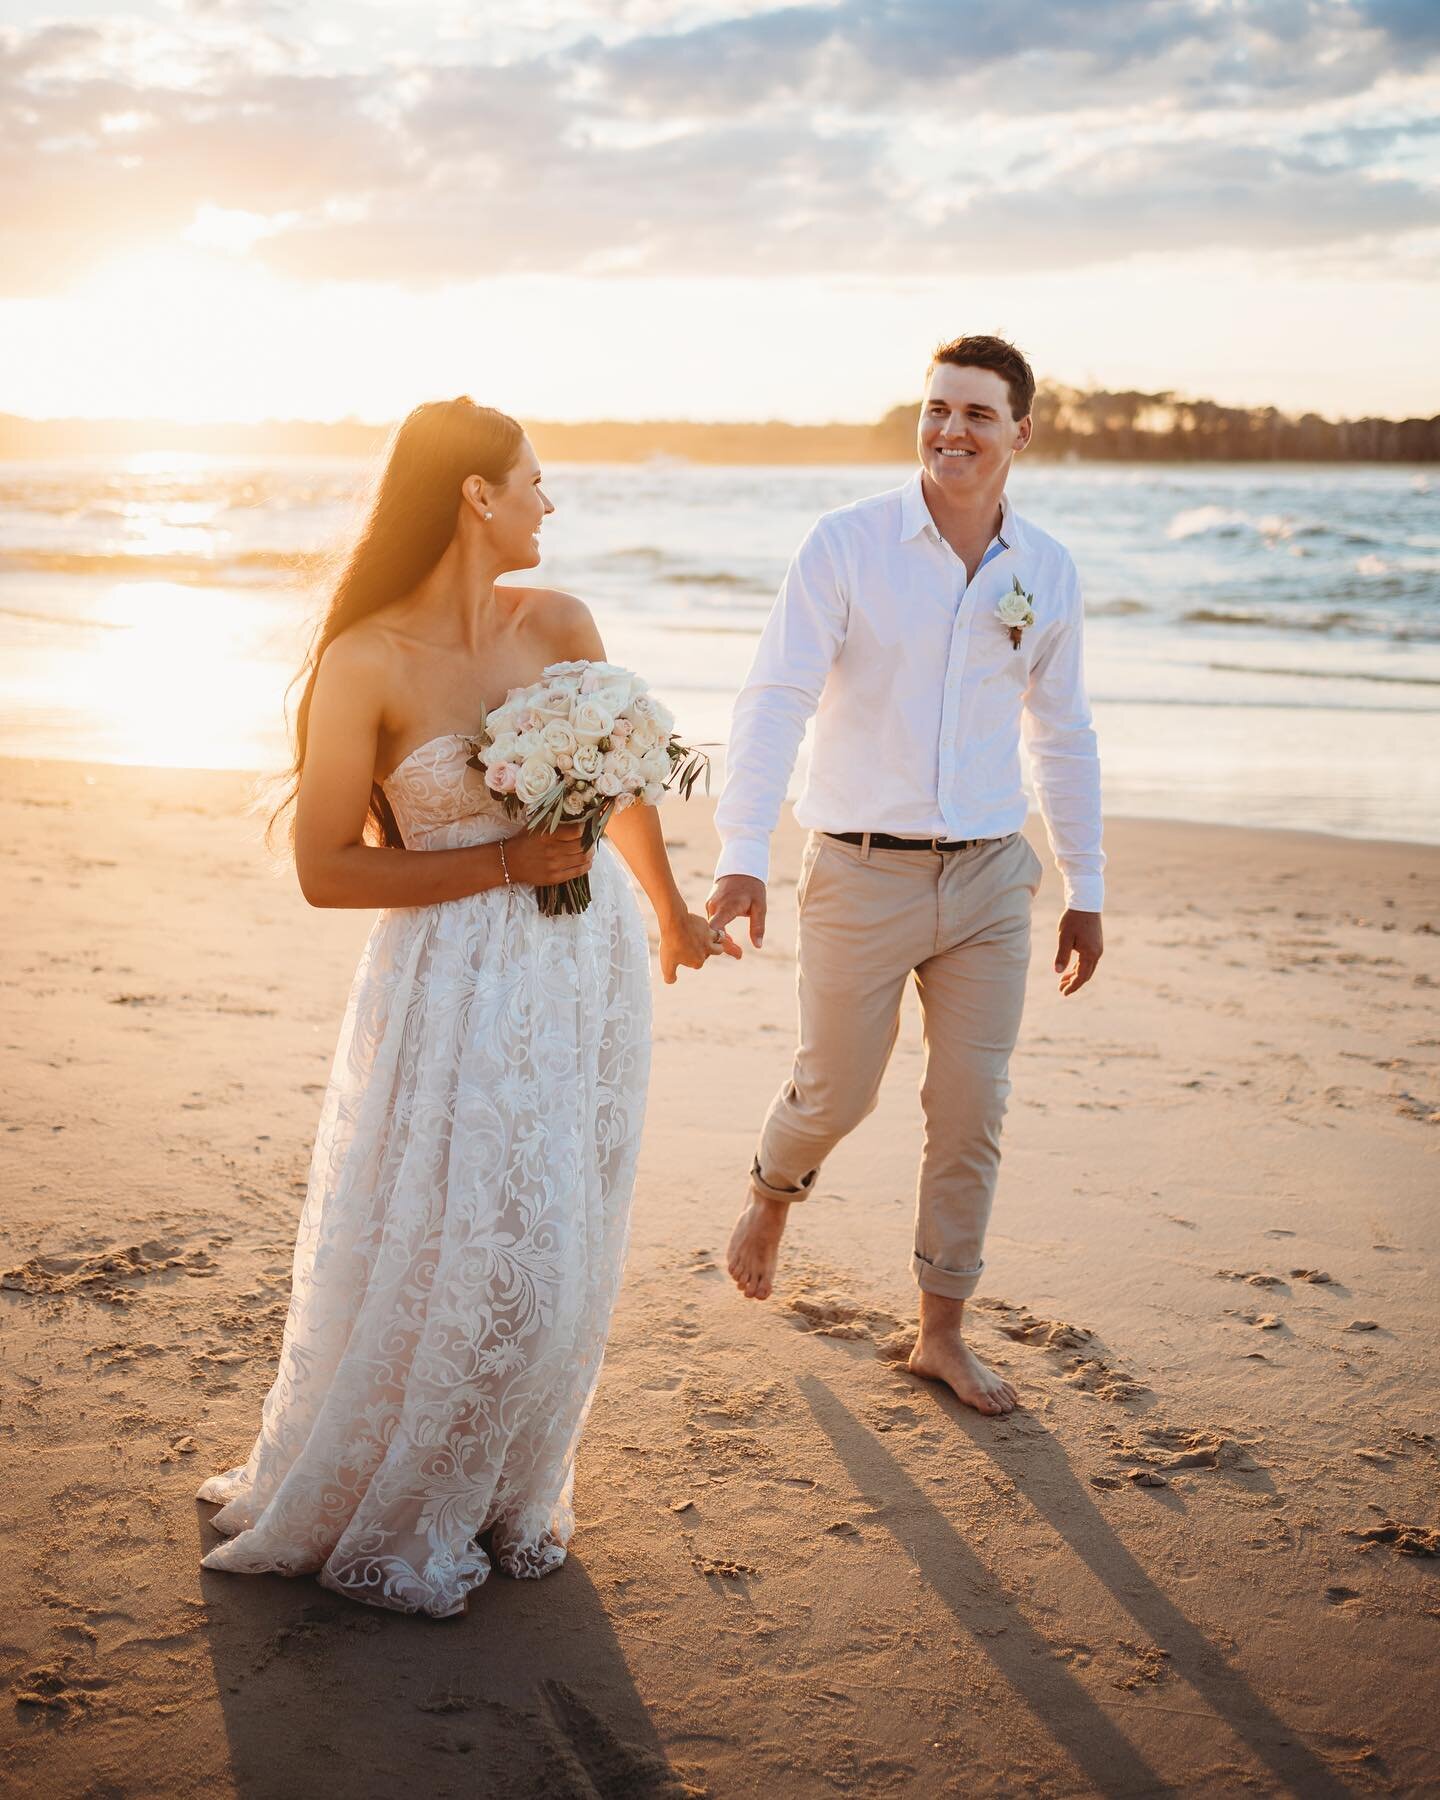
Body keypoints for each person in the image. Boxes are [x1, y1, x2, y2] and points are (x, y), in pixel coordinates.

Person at [197, 398, 735, 1616]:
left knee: (564, 1237)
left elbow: (624, 788)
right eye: (536, 481)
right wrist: (501, 865)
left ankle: (500, 1484)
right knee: (464, 1241)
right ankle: (408, 1490)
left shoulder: (561, 621)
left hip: (580, 971)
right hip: (452, 984)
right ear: (477, 498)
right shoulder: (367, 661)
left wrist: (670, 913)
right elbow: (327, 868)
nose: (554, 502)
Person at [707, 336, 1105, 1418]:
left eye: (978, 414)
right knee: (839, 1088)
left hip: (988, 882)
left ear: (1022, 433)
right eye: (937, 409)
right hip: (858, 871)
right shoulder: (845, 546)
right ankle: (771, 1190)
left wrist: (1086, 884)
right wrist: (741, 855)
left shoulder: (1048, 569)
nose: (951, 431)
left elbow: (1061, 735)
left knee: (970, 1106)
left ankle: (940, 1330)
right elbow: (774, 699)